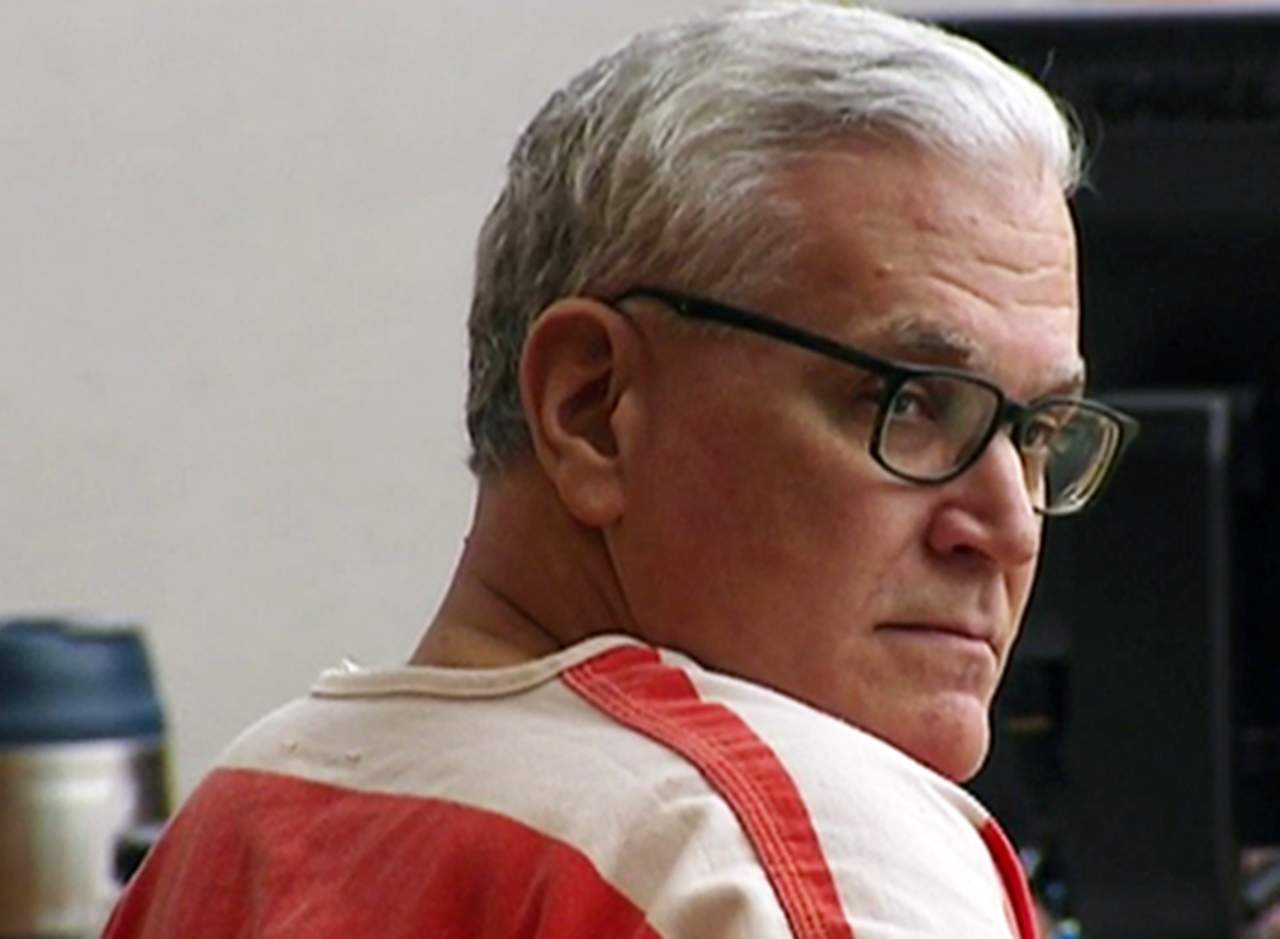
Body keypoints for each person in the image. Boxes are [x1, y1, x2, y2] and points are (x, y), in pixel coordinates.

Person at [103, 2, 1137, 937]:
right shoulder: (779, 850)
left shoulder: (230, 829)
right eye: (908, 402)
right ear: (591, 409)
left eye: (1037, 431)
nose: (1008, 527)